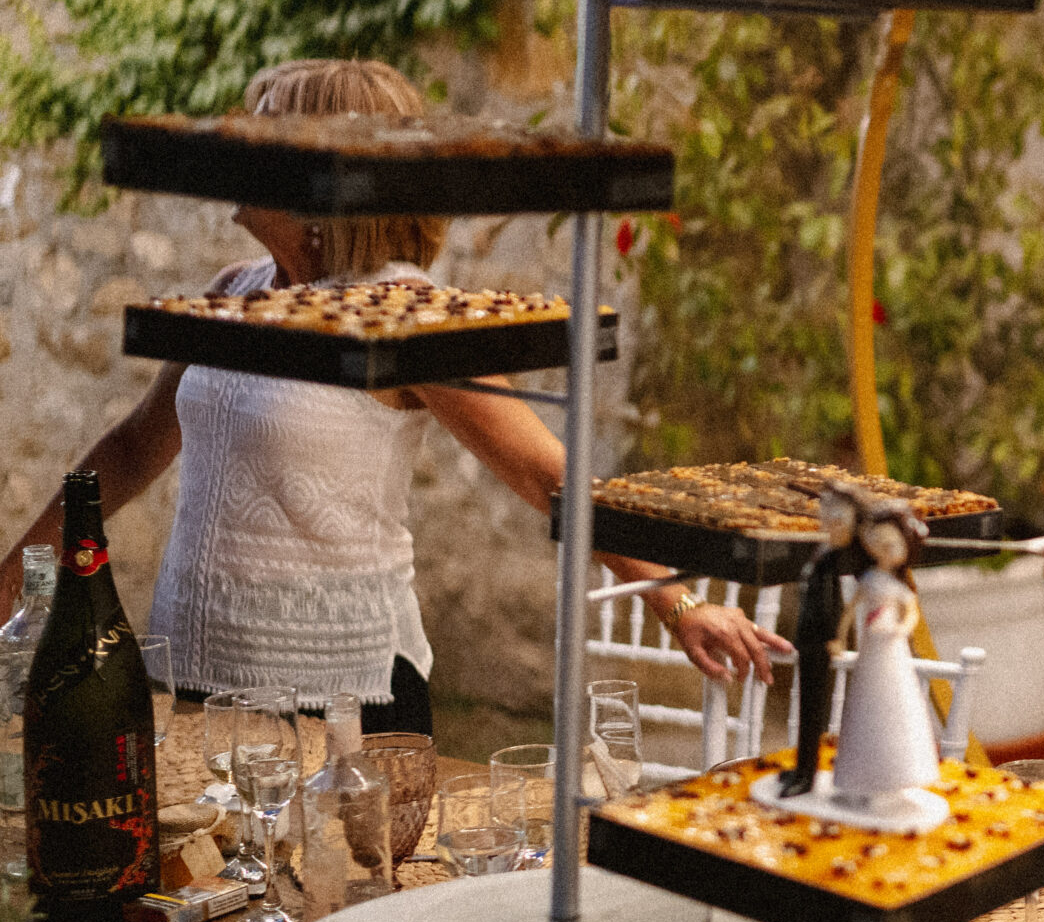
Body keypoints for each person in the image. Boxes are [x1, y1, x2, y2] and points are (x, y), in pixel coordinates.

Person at [3, 59, 789, 734]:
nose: (234, 145)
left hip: (345, 692)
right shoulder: (234, 291)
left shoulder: (405, 312)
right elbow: (132, 448)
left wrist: (677, 603)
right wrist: (13, 576)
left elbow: (542, 470)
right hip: (204, 671)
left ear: (328, 171)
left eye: (261, 130)